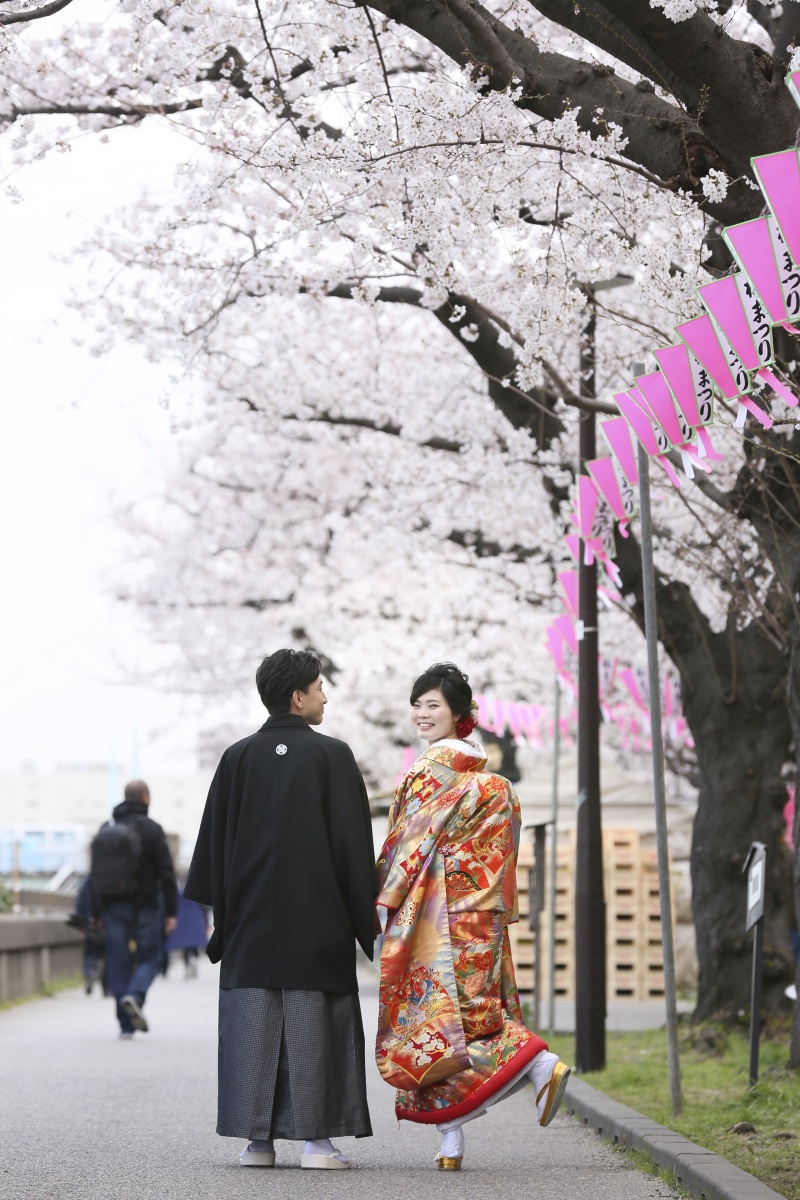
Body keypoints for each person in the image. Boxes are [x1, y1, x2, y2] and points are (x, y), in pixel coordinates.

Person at [184, 649, 378, 1171]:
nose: (325, 696)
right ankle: (317, 1143)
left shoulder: (237, 758)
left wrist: (225, 923)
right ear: (298, 696)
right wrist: (367, 924)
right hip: (319, 923)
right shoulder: (332, 756)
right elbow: (353, 849)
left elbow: (214, 851)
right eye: (319, 688)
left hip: (250, 925)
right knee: (318, 1029)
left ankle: (257, 1143)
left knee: (254, 1026)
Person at [375, 663, 570, 1170]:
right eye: (417, 704)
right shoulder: (496, 785)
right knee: (461, 1027)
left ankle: (539, 1063)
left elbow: (402, 849)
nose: (422, 713)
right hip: (479, 921)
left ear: (459, 714)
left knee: (439, 1026)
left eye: (433, 705)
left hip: (436, 922)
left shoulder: (428, 773)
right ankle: (450, 1143)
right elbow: (501, 862)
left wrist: (377, 900)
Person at [90, 780, 178, 1038]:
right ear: (146, 798)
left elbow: (95, 876)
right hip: (146, 907)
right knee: (150, 958)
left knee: (118, 961)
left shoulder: (107, 828)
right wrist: (171, 912)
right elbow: (166, 873)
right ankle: (135, 995)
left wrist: (96, 913)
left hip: (112, 906)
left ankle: (125, 1025)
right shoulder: (152, 829)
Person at [165, 886, 209, 978]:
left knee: (185, 945)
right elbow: (204, 907)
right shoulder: (197, 892)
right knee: (194, 944)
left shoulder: (178, 893)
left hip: (182, 920)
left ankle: (187, 965)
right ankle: (194, 960)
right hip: (195, 919)